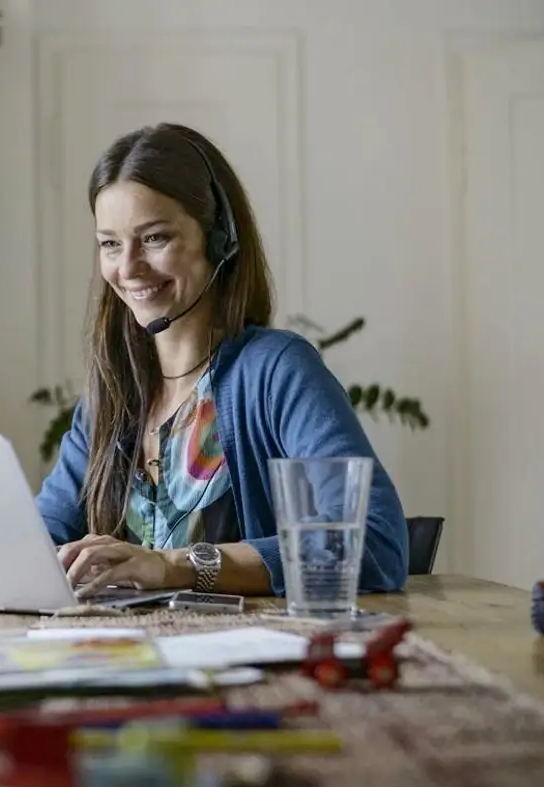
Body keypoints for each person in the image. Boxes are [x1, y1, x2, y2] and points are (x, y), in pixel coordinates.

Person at [35, 122, 409, 600]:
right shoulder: (114, 394)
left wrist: (174, 567)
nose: (127, 268)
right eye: (110, 243)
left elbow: (372, 544)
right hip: (125, 657)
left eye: (154, 238)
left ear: (220, 241)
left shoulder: (277, 371)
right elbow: (40, 537)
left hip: (246, 661)